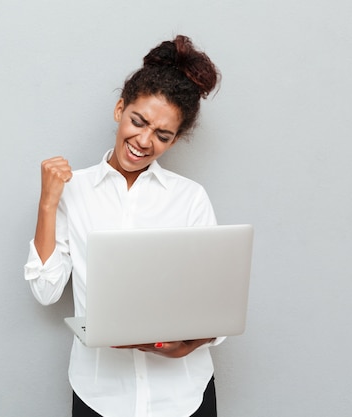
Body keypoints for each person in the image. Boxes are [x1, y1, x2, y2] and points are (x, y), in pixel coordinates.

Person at [24, 35, 223, 417]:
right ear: (120, 109)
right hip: (102, 396)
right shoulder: (72, 191)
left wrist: (190, 344)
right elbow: (46, 291)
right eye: (138, 121)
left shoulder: (190, 198)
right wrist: (48, 202)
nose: (144, 141)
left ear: (175, 139)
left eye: (162, 135)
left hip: (182, 396)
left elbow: (215, 306)